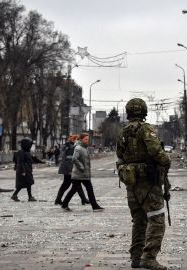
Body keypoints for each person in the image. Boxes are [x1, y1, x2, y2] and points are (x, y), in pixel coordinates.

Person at [116, 98, 171, 270]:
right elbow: (156, 151)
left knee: (139, 220)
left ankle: (136, 257)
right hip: (148, 181)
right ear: (144, 112)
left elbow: (120, 154)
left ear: (129, 112)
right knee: (156, 219)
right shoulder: (146, 129)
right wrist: (166, 160)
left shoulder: (123, 132)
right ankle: (148, 257)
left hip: (131, 181)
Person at [61, 133, 104, 212]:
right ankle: (64, 204)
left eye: (88, 139)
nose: (87, 141)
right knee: (75, 189)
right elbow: (74, 158)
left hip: (83, 173)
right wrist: (81, 167)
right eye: (85, 139)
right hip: (79, 173)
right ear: (81, 139)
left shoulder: (84, 148)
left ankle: (94, 206)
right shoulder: (78, 148)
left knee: (88, 189)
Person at [55, 135, 89, 205]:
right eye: (77, 140)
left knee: (66, 185)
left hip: (67, 169)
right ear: (74, 140)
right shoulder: (71, 148)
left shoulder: (68, 146)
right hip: (69, 170)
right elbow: (69, 160)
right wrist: (70, 170)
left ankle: (58, 200)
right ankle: (84, 199)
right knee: (76, 184)